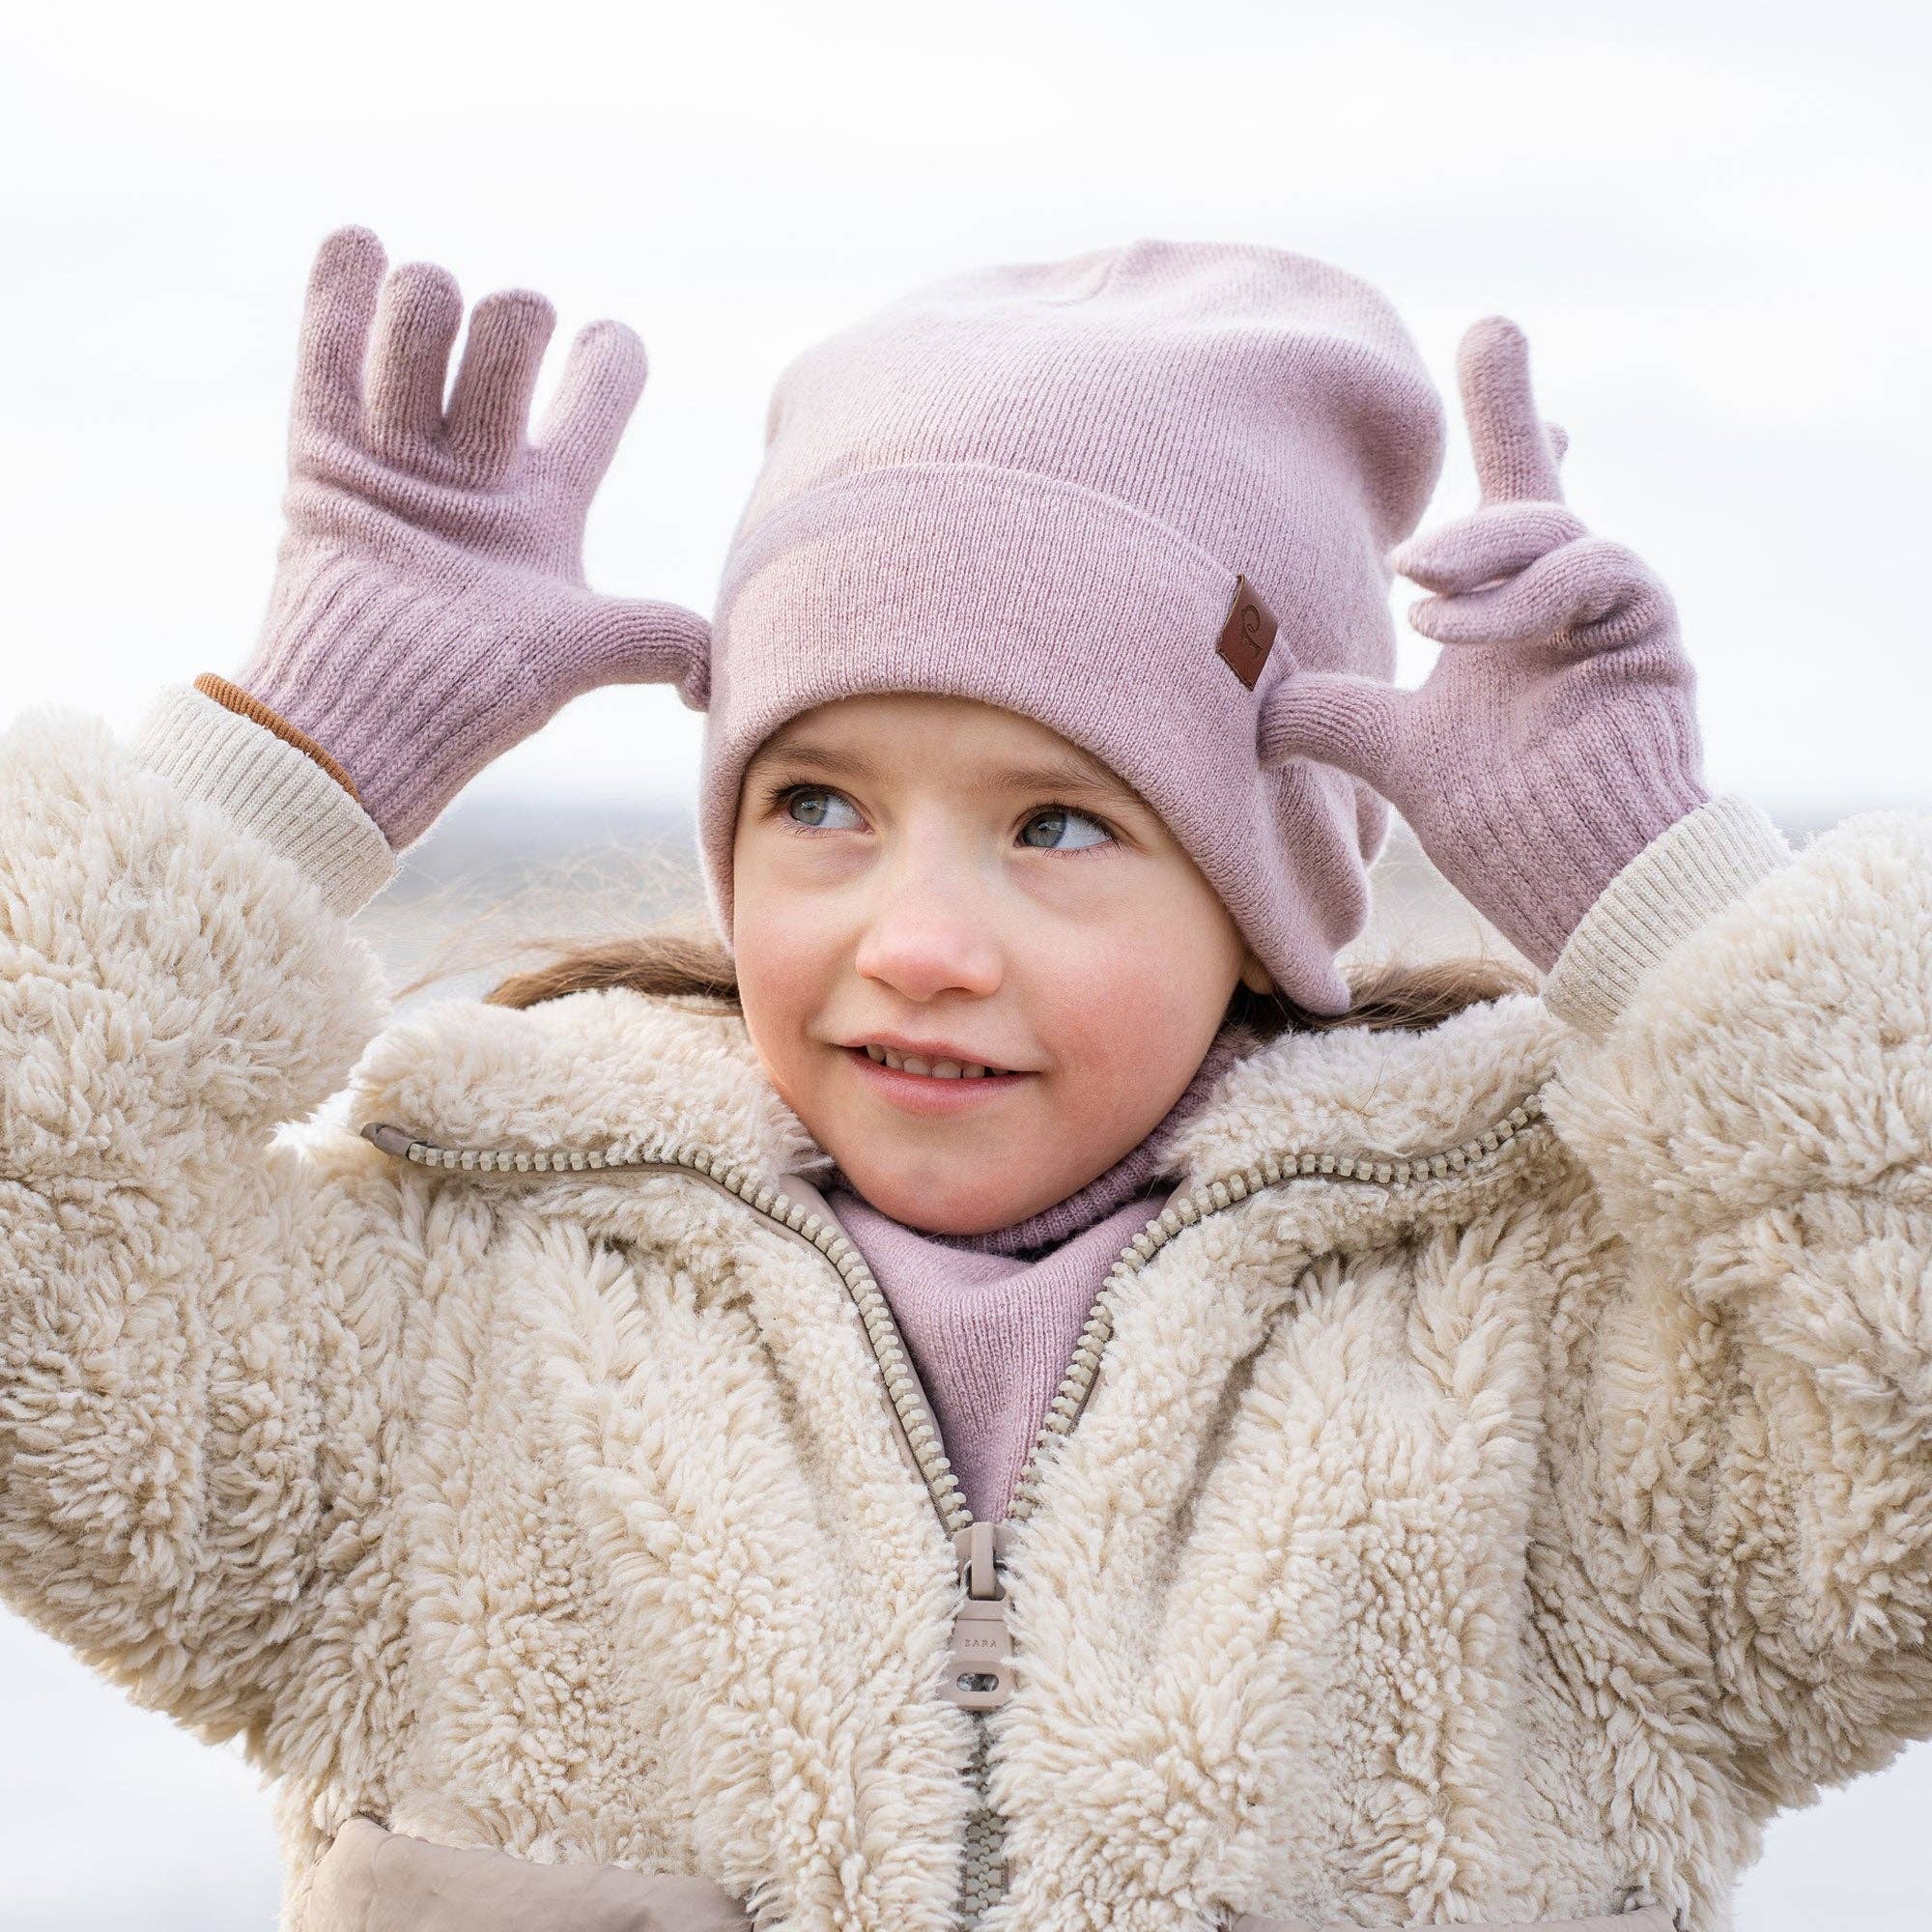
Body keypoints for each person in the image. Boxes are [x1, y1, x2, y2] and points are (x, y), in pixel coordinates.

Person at [2, 223, 1927, 1932]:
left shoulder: (1564, 1380)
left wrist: (1666, 912)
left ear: (1259, 895)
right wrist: (289, 764)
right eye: (818, 801)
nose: (915, 936)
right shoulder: (432, 1343)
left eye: (1062, 825)